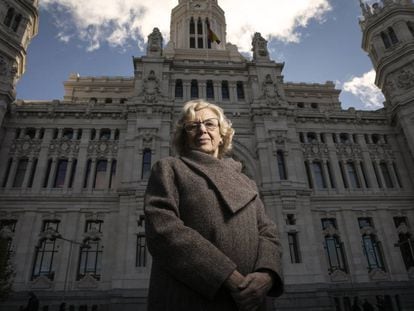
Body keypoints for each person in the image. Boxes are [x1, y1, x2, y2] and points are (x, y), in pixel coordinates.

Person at [144, 100, 284, 311]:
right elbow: (163, 230)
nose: (202, 129)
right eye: (192, 126)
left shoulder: (246, 181)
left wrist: (267, 275)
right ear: (184, 136)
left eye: (210, 124)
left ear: (222, 134)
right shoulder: (169, 169)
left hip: (251, 301)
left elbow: (268, 232)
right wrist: (226, 275)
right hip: (191, 299)